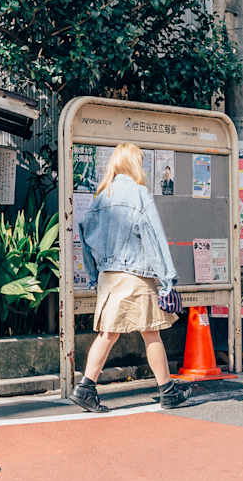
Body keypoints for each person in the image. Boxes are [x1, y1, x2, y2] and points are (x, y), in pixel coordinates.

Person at [69, 143, 191, 413]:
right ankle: (167, 391)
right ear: (134, 164)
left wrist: (94, 275)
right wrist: (167, 279)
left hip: (108, 276)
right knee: (151, 332)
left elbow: (84, 236)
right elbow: (154, 237)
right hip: (135, 275)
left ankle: (86, 387)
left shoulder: (101, 196)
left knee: (108, 333)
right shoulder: (139, 194)